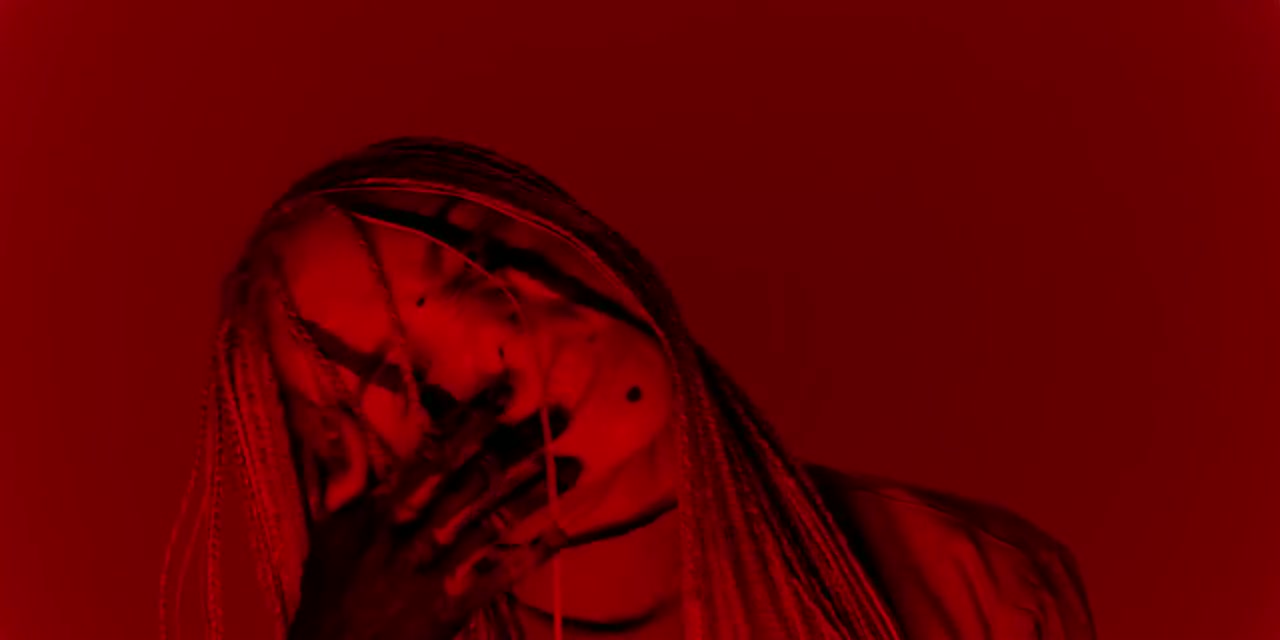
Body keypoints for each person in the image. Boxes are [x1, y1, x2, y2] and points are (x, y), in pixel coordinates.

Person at [159, 138, 1097, 640]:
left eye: (478, 242)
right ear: (347, 476)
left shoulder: (979, 587)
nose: (514, 302)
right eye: (394, 360)